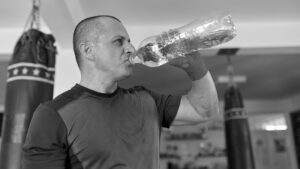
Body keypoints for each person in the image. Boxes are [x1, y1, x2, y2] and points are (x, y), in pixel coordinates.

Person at [22, 15, 219, 169]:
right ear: (88, 51)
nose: (131, 49)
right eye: (119, 41)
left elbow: (204, 111)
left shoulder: (146, 99)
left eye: (129, 41)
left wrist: (195, 67)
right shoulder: (53, 114)